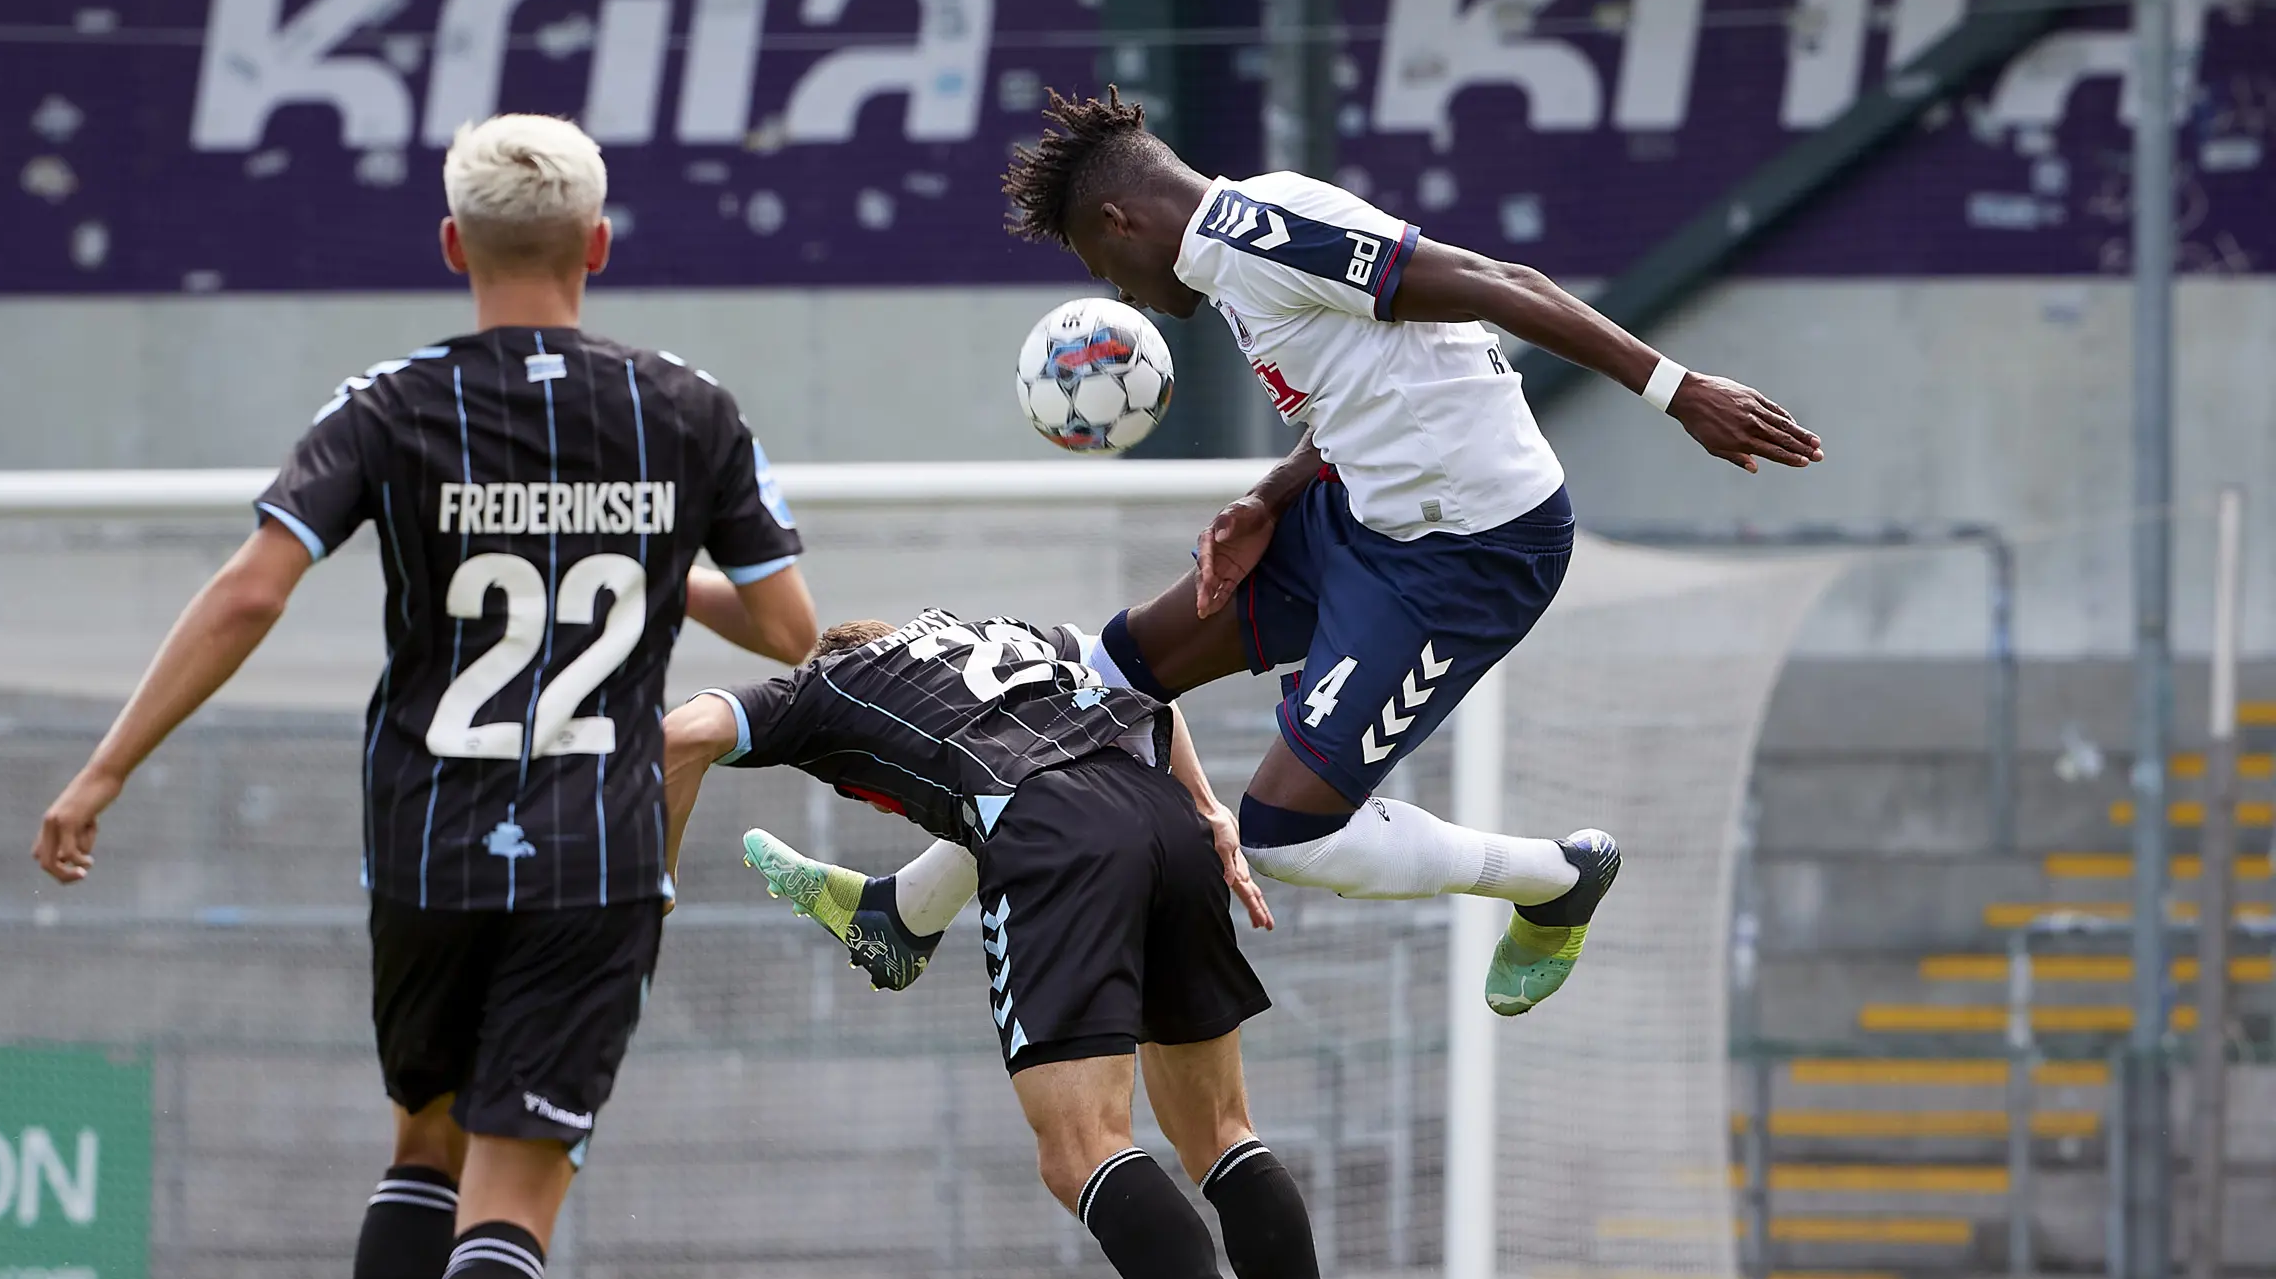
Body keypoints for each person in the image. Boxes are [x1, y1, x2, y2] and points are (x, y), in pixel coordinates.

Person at [29, 114, 816, 1279]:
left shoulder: (385, 405)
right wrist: (660, 561)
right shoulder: (690, 409)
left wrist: (105, 767)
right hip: (600, 857)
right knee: (514, 1199)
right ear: (600, 244)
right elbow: (789, 626)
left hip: (430, 849)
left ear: (451, 245)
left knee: (421, 1146)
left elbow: (252, 588)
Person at [752, 87, 1825, 1017]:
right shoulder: (1232, 262)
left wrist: (1678, 389)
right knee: (1099, 679)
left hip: (1467, 555)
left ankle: (1557, 878)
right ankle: (907, 912)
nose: (1122, 295)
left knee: (1283, 836)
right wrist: (1268, 495)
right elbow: (1367, 391)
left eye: (1102, 265)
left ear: (1122, 220)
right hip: (1355, 515)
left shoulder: (1261, 234)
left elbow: (1498, 280)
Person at [662, 612, 1407, 1279]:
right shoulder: (1006, 633)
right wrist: (1210, 809)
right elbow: (1149, 693)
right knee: (1221, 1130)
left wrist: (652, 892)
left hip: (1055, 835)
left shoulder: (821, 687)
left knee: (1080, 1149)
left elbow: (680, 734)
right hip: (1167, 818)